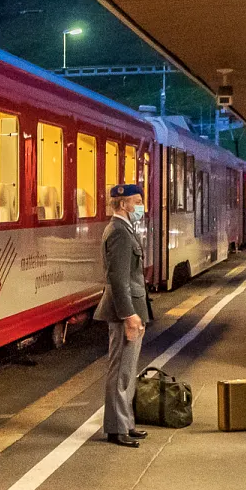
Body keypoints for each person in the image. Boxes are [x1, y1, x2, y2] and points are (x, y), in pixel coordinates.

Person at [95, 183, 150, 447]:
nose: (141, 206)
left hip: (131, 309)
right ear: (122, 204)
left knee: (127, 371)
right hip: (123, 312)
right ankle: (117, 428)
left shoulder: (125, 229)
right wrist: (129, 315)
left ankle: (125, 423)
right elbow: (118, 279)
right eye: (137, 201)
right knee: (119, 371)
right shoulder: (118, 232)